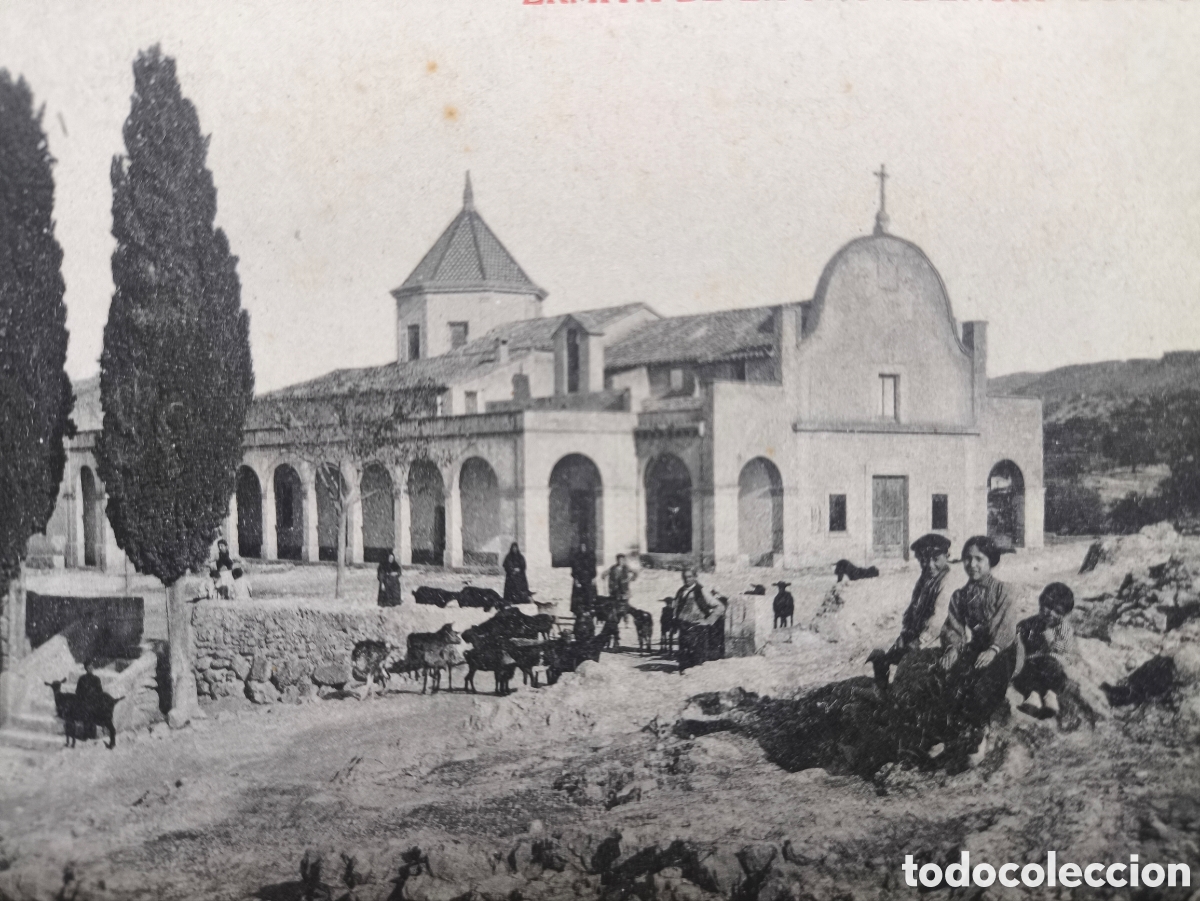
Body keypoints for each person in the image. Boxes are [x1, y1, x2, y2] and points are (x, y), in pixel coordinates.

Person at [935, 535, 1018, 760]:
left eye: (979, 559)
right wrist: (953, 648)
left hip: (1004, 649)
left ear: (990, 561)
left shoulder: (1004, 590)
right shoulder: (960, 596)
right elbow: (954, 626)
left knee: (983, 685)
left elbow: (1007, 626)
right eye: (967, 559)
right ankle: (952, 735)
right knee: (952, 679)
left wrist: (993, 650)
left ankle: (978, 735)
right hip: (977, 647)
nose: (972, 565)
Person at [867, 533, 953, 691]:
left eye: (935, 559)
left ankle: (899, 699)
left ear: (947, 556)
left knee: (908, 668)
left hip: (941, 644)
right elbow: (912, 610)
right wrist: (905, 634)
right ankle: (882, 691)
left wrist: (917, 643)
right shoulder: (925, 580)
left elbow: (937, 620)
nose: (929, 565)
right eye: (924, 559)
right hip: (920, 640)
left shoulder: (948, 582)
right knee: (882, 657)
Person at [1012, 582, 1075, 720]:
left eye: (1057, 611)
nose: (1050, 613)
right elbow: (1017, 640)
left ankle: (1050, 696)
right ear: (1041, 603)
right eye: (1048, 607)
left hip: (1050, 663)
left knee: (1055, 670)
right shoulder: (1029, 624)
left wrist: (1061, 649)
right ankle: (1032, 696)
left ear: (1065, 614)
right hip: (1031, 662)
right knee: (1024, 673)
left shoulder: (1064, 630)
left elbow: (1069, 654)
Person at [673, 565, 727, 674]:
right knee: (683, 664)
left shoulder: (701, 591)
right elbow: (676, 607)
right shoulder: (680, 591)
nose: (686, 579)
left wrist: (708, 621)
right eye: (684, 577)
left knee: (697, 664)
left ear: (695, 577)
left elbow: (720, 607)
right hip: (683, 630)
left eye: (689, 576)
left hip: (697, 631)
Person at [570, 542, 597, 638]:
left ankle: (590, 626)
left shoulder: (590, 557)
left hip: (588, 581)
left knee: (589, 601)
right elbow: (574, 570)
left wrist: (593, 578)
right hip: (579, 581)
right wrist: (576, 580)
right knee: (579, 602)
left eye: (584, 546)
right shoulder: (577, 558)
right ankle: (578, 625)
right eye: (581, 546)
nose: (583, 548)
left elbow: (593, 569)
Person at [502, 543, 529, 607]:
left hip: (519, 576)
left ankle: (520, 598)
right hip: (511, 575)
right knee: (511, 583)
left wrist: (519, 569)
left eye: (515, 548)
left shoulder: (520, 557)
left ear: (517, 548)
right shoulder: (508, 557)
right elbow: (505, 565)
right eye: (513, 548)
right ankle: (510, 599)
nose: (514, 549)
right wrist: (512, 570)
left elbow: (523, 566)